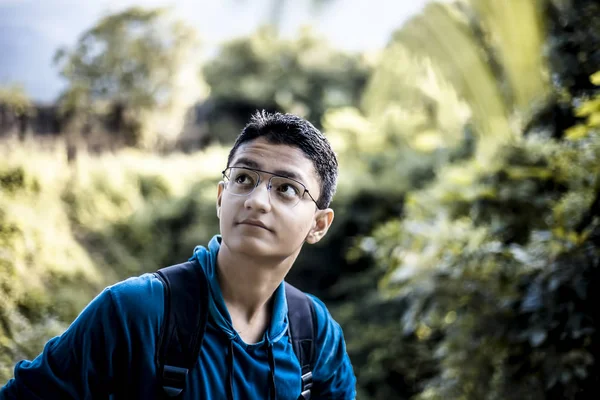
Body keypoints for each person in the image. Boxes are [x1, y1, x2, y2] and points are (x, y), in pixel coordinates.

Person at [0, 111, 356, 399]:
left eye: (287, 189)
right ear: (221, 197)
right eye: (244, 179)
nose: (257, 200)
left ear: (319, 225)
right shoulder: (134, 311)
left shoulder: (314, 332)